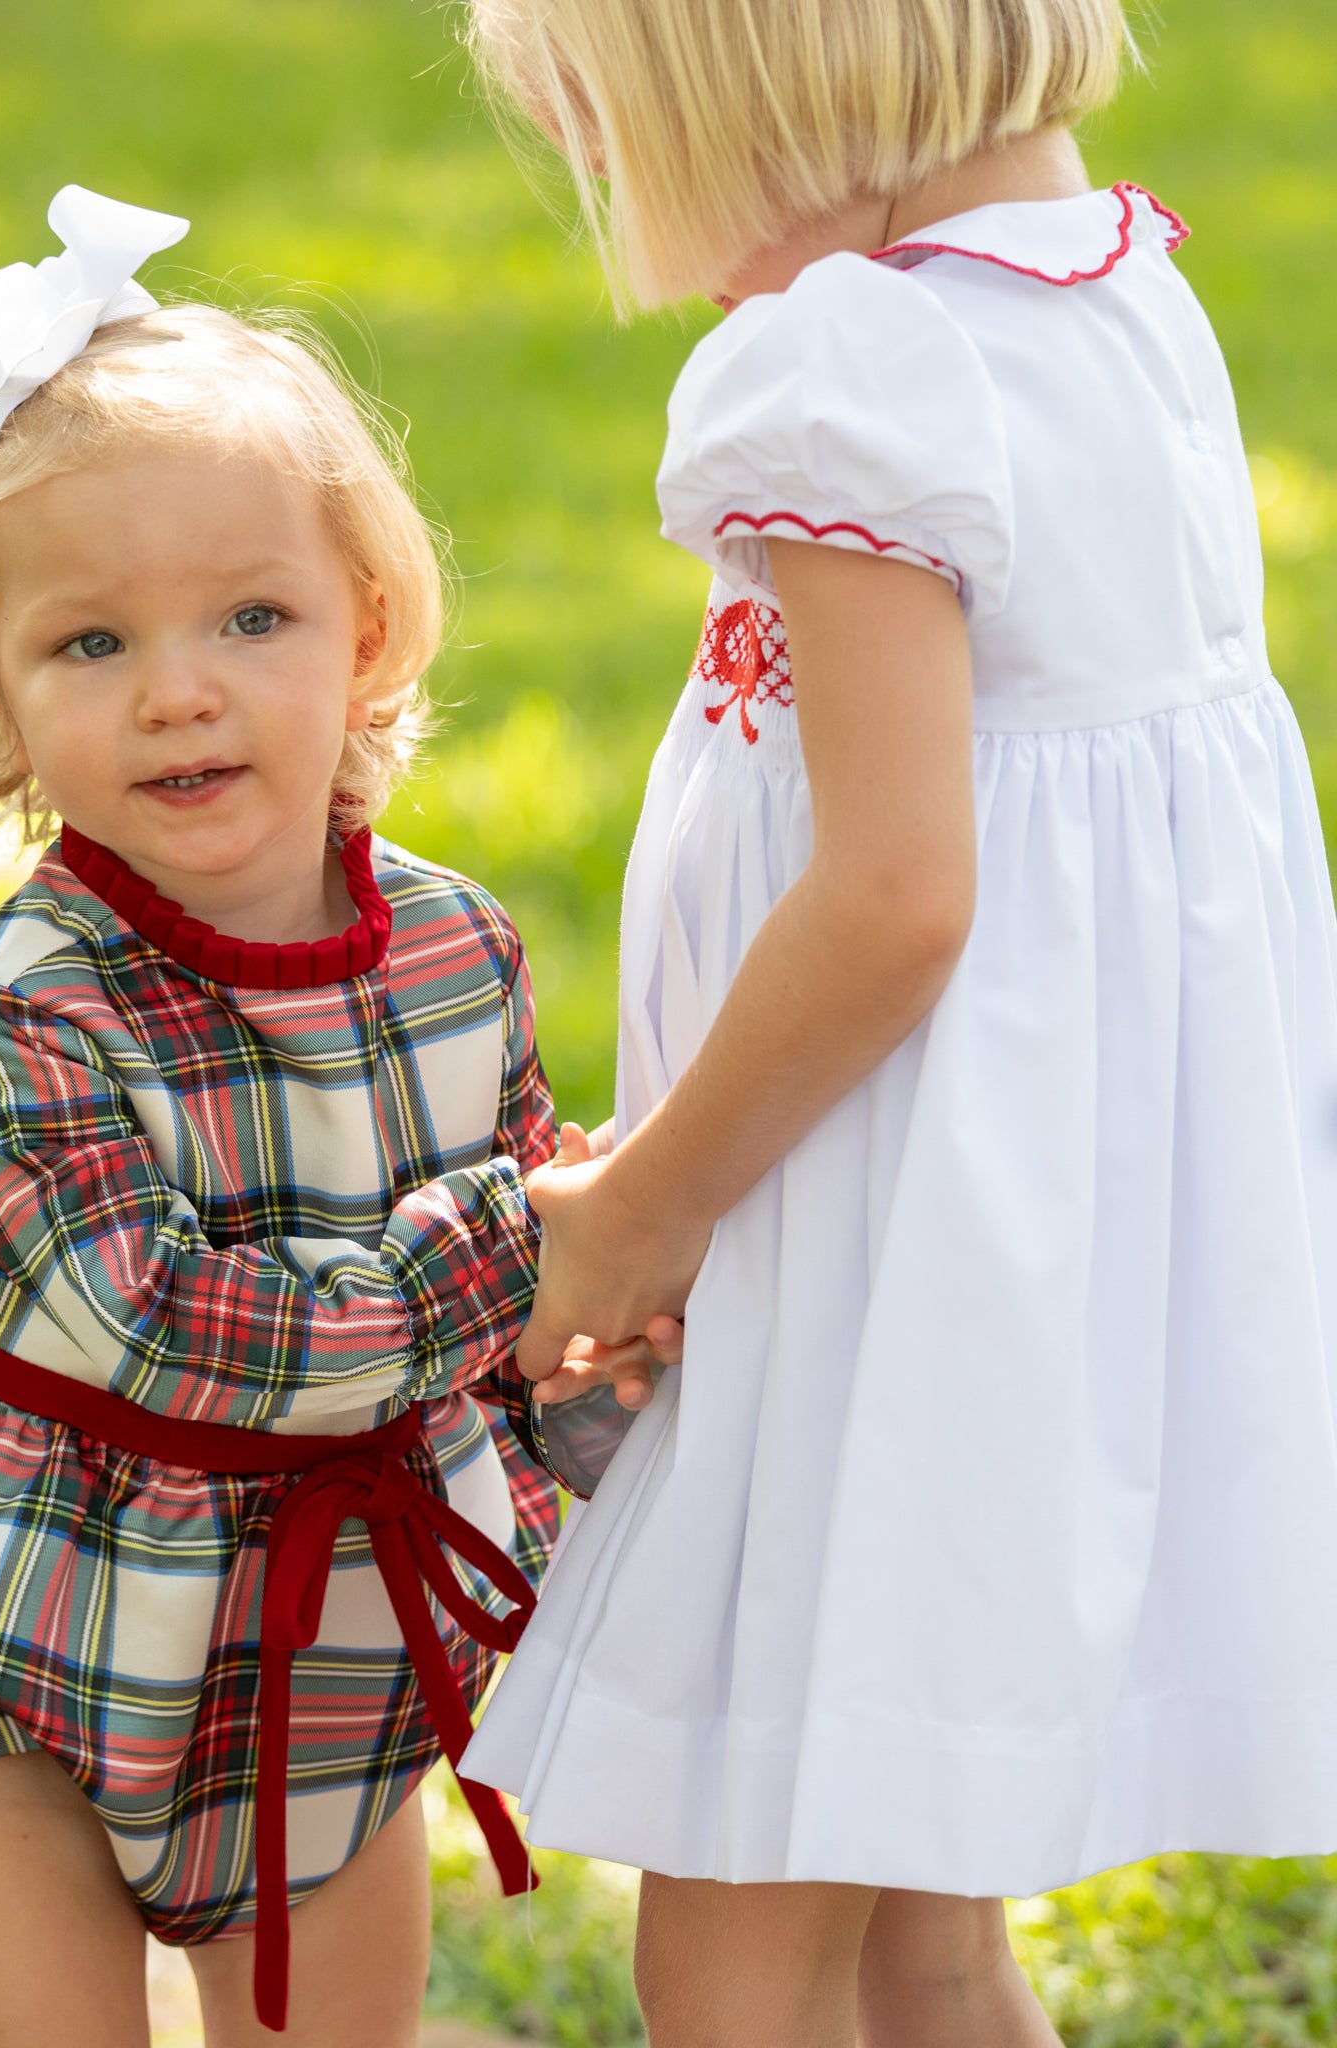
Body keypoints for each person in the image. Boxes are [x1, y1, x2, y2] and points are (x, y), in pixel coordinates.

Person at [455, 2, 1337, 2044]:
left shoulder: (850, 362)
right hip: (1033, 1261)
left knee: (737, 1945)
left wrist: (643, 1205)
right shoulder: (1120, 303)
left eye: (606, 133)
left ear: (740, 89)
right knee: (928, 1941)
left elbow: (894, 893)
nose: (610, 198)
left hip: (863, 1262)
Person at [0, 187, 639, 2048]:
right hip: (17, 1622)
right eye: (91, 645)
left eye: (251, 615)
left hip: (327, 1631)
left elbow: (532, 1283)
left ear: (366, 631)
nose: (179, 689)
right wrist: (526, 1242)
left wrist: (598, 1313)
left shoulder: (455, 948)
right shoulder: (27, 996)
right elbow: (169, 1326)